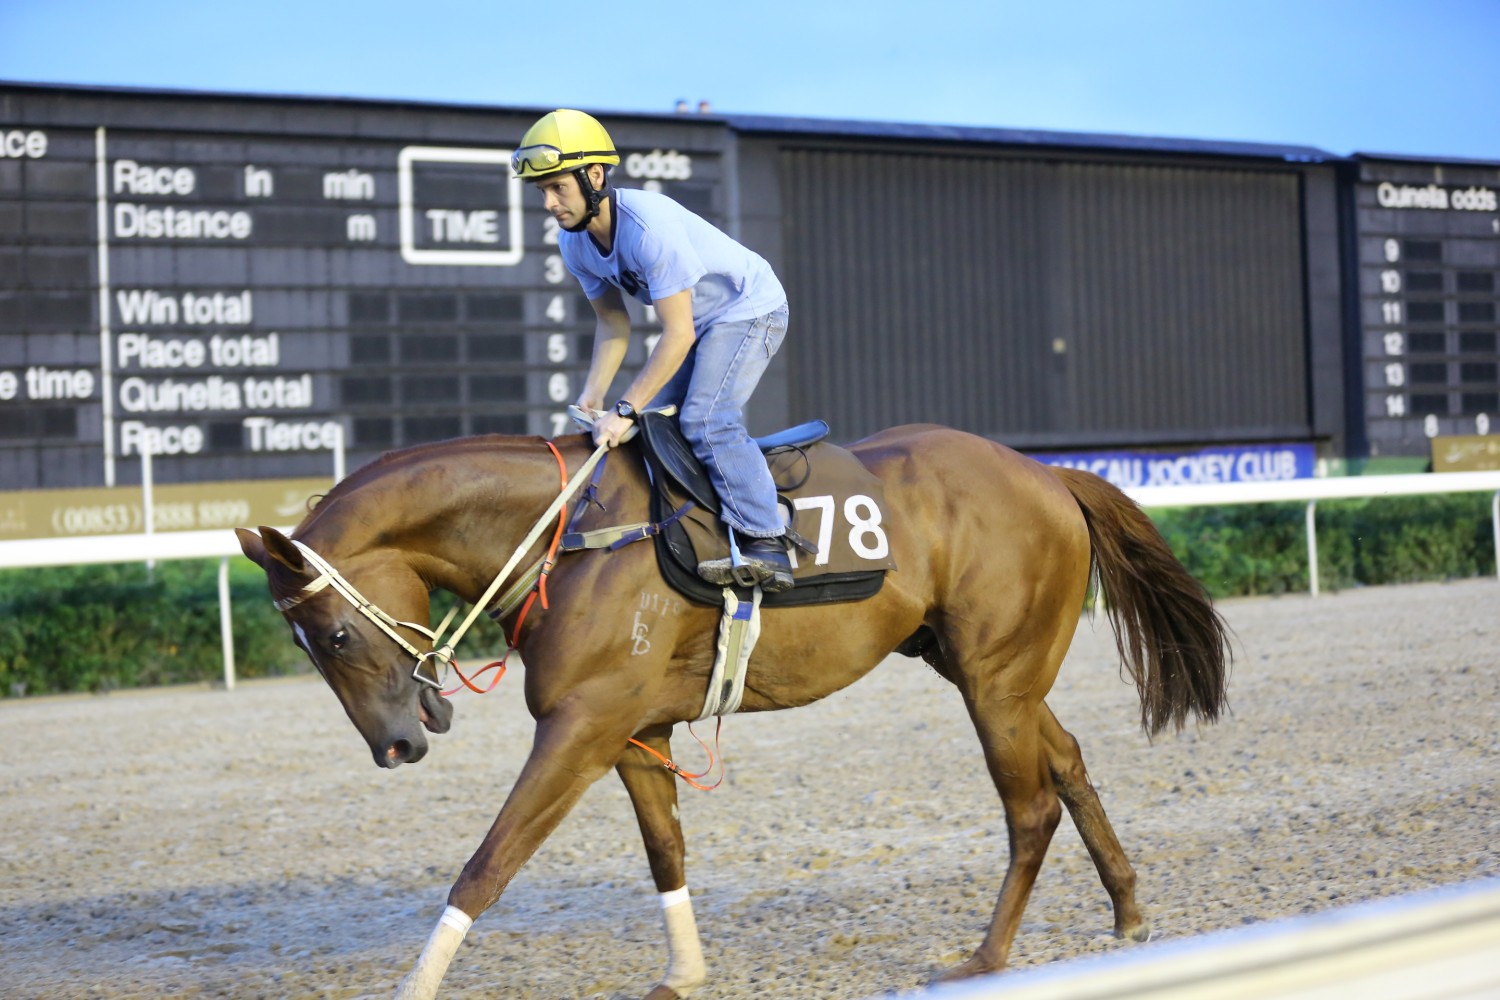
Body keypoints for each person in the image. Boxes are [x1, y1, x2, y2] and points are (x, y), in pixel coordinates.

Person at [511, 109, 795, 591]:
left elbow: (677, 333)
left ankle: (767, 542)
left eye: (558, 187)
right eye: (542, 191)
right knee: (656, 426)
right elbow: (612, 322)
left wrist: (623, 407)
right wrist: (593, 396)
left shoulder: (648, 229)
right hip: (700, 325)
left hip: (749, 310)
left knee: (706, 420)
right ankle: (706, 532)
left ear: (594, 175)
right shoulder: (573, 243)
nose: (549, 203)